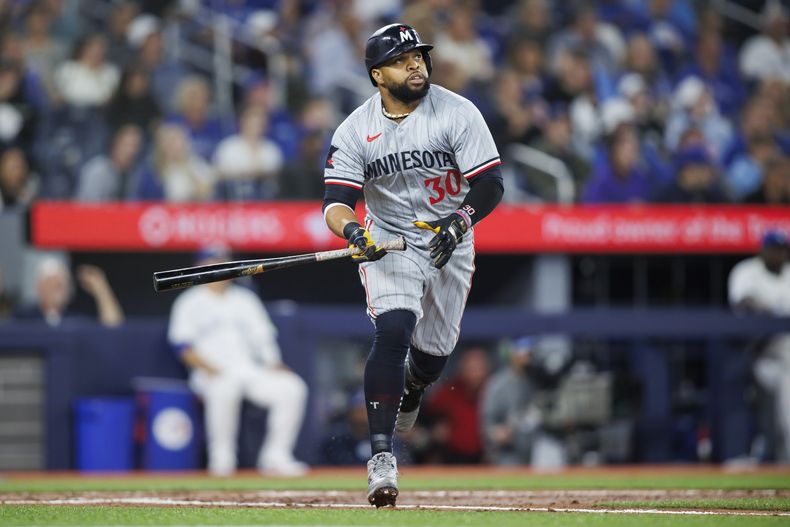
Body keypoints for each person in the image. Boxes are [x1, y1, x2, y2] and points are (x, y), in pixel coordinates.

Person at [321, 23, 503, 507]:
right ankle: (381, 456)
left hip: (450, 236)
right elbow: (336, 203)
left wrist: (460, 222)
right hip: (389, 239)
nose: (416, 64)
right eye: (403, 60)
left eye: (419, 55)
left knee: (432, 357)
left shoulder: (458, 112)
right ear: (378, 74)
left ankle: (415, 385)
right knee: (393, 329)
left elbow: (490, 185)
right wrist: (354, 233)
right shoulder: (355, 129)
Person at [167, 246, 308, 477]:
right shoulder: (189, 301)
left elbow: (263, 338)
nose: (218, 267)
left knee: (292, 387)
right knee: (225, 388)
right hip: (211, 373)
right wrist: (212, 369)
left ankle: (275, 457)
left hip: (248, 370)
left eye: (222, 262)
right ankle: (222, 460)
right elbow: (183, 347)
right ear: (198, 267)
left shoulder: (245, 299)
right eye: (211, 262)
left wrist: (273, 363)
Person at [728, 229, 790, 462]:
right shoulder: (747, 271)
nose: (777, 255)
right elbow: (744, 301)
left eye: (781, 250)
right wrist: (770, 315)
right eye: (773, 250)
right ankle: (760, 453)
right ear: (762, 250)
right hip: (758, 353)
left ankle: (782, 461)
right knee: (770, 413)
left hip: (787, 354)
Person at [14, 257, 124, 328]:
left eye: (62, 283)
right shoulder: (23, 318)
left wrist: (101, 289)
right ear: (39, 287)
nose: (58, 286)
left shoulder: (75, 318)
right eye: (51, 282)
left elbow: (113, 328)